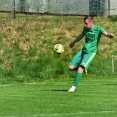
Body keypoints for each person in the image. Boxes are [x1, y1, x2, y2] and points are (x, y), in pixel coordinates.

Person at [68, 16, 114, 92]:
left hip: (91, 52)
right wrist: (73, 42)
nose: (85, 25)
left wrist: (109, 35)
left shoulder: (98, 29)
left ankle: (73, 87)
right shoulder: (85, 29)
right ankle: (82, 69)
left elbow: (105, 33)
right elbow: (81, 36)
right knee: (70, 67)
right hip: (83, 51)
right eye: (84, 23)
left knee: (80, 68)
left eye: (86, 23)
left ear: (91, 22)